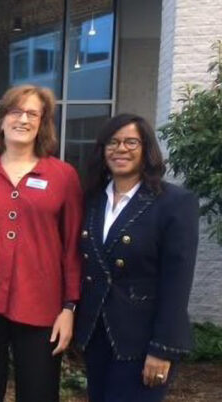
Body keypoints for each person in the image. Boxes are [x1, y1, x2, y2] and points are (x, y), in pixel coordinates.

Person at [0, 85, 83, 402]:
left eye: (32, 113)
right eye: (15, 111)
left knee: (39, 393)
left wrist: (69, 307)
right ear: (1, 120)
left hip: (41, 306)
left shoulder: (63, 176)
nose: (22, 119)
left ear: (42, 123)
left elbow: (72, 247)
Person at [74, 114, 199, 402]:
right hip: (98, 336)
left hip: (143, 341)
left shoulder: (174, 202)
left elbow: (177, 283)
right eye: (113, 142)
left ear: (147, 150)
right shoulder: (92, 201)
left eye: (131, 142)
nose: (121, 149)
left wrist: (162, 348)